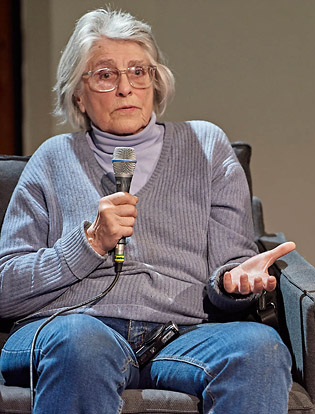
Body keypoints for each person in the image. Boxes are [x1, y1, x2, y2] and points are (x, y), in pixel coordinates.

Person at [0, 8, 295, 414]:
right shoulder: (53, 160)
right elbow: (5, 288)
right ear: (78, 95)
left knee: (258, 349)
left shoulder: (205, 146)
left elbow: (228, 269)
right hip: (76, 328)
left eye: (139, 72)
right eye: (106, 75)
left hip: (180, 334)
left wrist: (232, 282)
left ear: (155, 85)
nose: (126, 87)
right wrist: (88, 244)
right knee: (82, 342)